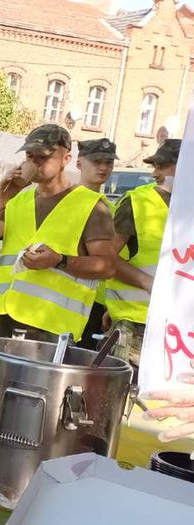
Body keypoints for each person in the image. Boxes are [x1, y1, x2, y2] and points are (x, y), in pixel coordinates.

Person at [0, 124, 117, 341]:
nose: (34, 162)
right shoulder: (17, 201)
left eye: (43, 156)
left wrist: (59, 260)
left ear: (66, 159)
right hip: (3, 321)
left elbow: (107, 266)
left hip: (52, 330)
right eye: (29, 155)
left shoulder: (91, 205)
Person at [105, 138, 179, 369]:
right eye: (155, 166)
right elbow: (106, 257)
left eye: (162, 166)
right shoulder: (138, 202)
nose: (155, 173)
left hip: (179, 326)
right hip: (135, 324)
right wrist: (148, 282)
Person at [75, 138, 117, 347]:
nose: (103, 168)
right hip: (70, 297)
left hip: (98, 301)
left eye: (108, 163)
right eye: (97, 161)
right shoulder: (67, 202)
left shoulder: (109, 207)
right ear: (79, 163)